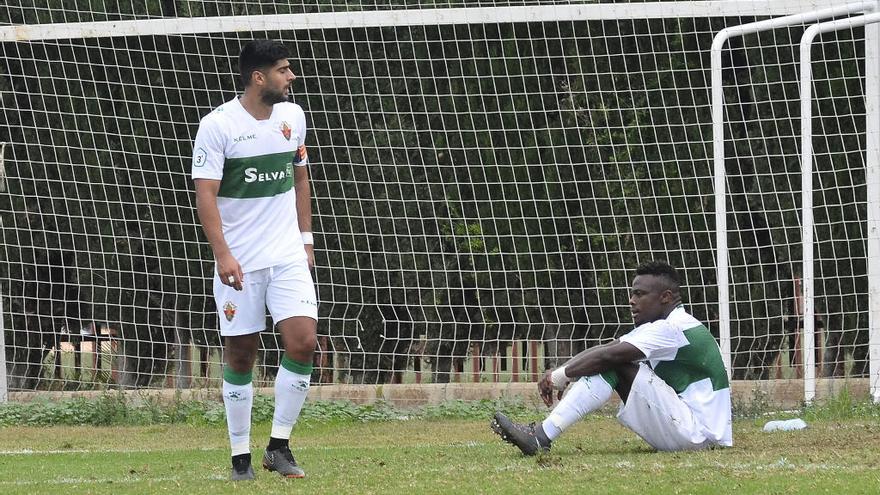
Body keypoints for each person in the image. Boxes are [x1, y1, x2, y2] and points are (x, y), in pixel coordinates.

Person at [192, 39, 318, 481]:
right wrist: (222, 254)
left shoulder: (293, 117)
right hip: (240, 261)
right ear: (258, 77)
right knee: (242, 353)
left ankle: (279, 447)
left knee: (303, 342)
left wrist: (305, 239)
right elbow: (205, 194)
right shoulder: (218, 125)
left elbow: (300, 178)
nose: (292, 77)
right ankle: (239, 456)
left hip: (287, 255)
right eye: (284, 70)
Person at [491, 261, 732, 455]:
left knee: (613, 364)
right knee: (611, 360)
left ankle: (541, 436)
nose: (631, 300)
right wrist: (562, 372)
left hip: (699, 434)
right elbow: (608, 348)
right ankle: (542, 433)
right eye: (632, 293)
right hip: (694, 430)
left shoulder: (672, 329)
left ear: (666, 297)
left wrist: (559, 376)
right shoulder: (665, 325)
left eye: (640, 294)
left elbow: (607, 356)